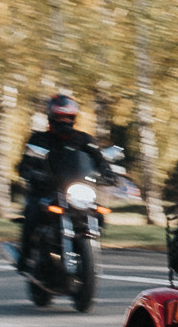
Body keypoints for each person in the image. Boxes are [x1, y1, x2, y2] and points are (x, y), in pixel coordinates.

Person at [14, 94, 108, 266]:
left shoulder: (84, 139)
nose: (64, 121)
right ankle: (25, 258)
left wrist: (107, 172)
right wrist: (30, 171)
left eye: (68, 117)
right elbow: (26, 162)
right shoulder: (39, 139)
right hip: (46, 190)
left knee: (98, 213)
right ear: (51, 117)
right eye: (60, 117)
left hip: (75, 190)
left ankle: (86, 251)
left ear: (74, 118)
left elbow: (98, 159)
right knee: (33, 213)